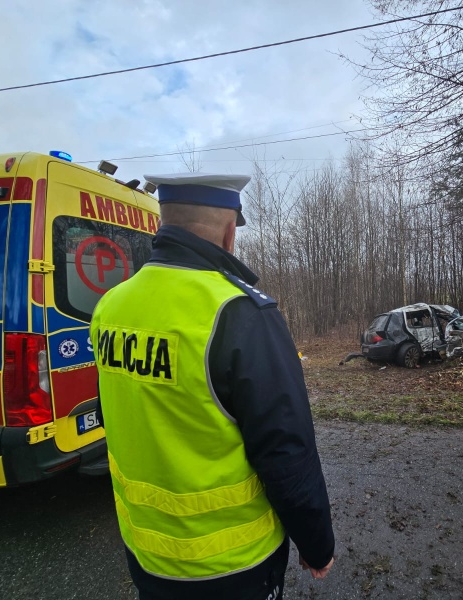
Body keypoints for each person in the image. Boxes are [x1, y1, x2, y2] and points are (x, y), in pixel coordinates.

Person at [90, 173, 335, 600]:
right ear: (228, 232)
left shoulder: (111, 306)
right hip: (232, 565)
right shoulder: (239, 313)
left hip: (146, 554)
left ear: (162, 223)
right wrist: (317, 545)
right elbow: (286, 451)